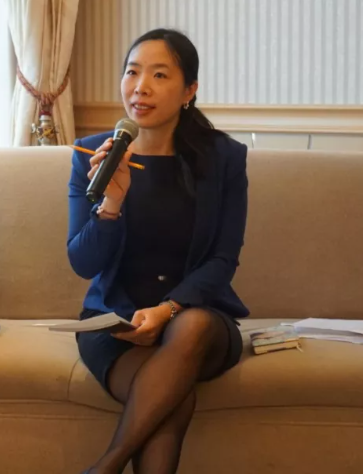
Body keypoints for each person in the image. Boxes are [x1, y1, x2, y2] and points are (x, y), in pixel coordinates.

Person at [67, 29, 249, 474]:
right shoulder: (91, 154)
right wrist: (111, 203)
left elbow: (223, 259)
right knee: (168, 398)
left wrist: (167, 310)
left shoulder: (223, 158)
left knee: (191, 327)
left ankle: (105, 466)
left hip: (197, 321)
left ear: (189, 91)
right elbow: (83, 263)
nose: (140, 87)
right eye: (132, 72)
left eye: (159, 75)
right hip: (116, 322)